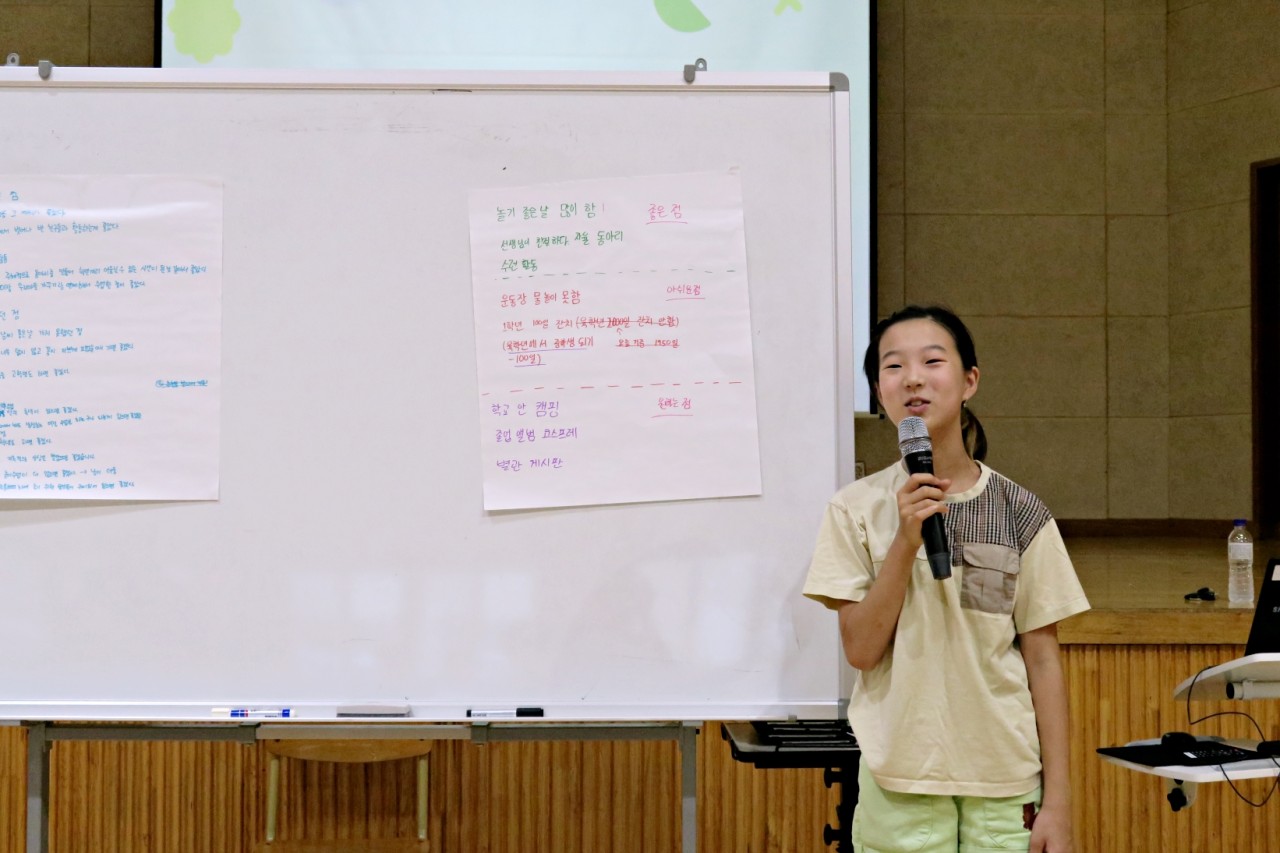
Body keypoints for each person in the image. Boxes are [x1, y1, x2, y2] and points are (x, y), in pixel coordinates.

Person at [803, 305, 1090, 853]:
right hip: (901, 780)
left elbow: (1044, 660)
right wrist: (905, 540)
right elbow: (861, 649)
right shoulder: (855, 510)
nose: (913, 377)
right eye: (893, 367)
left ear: (969, 381)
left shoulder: (1020, 510)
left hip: (1006, 781)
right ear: (879, 391)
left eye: (932, 361)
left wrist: (1060, 803)